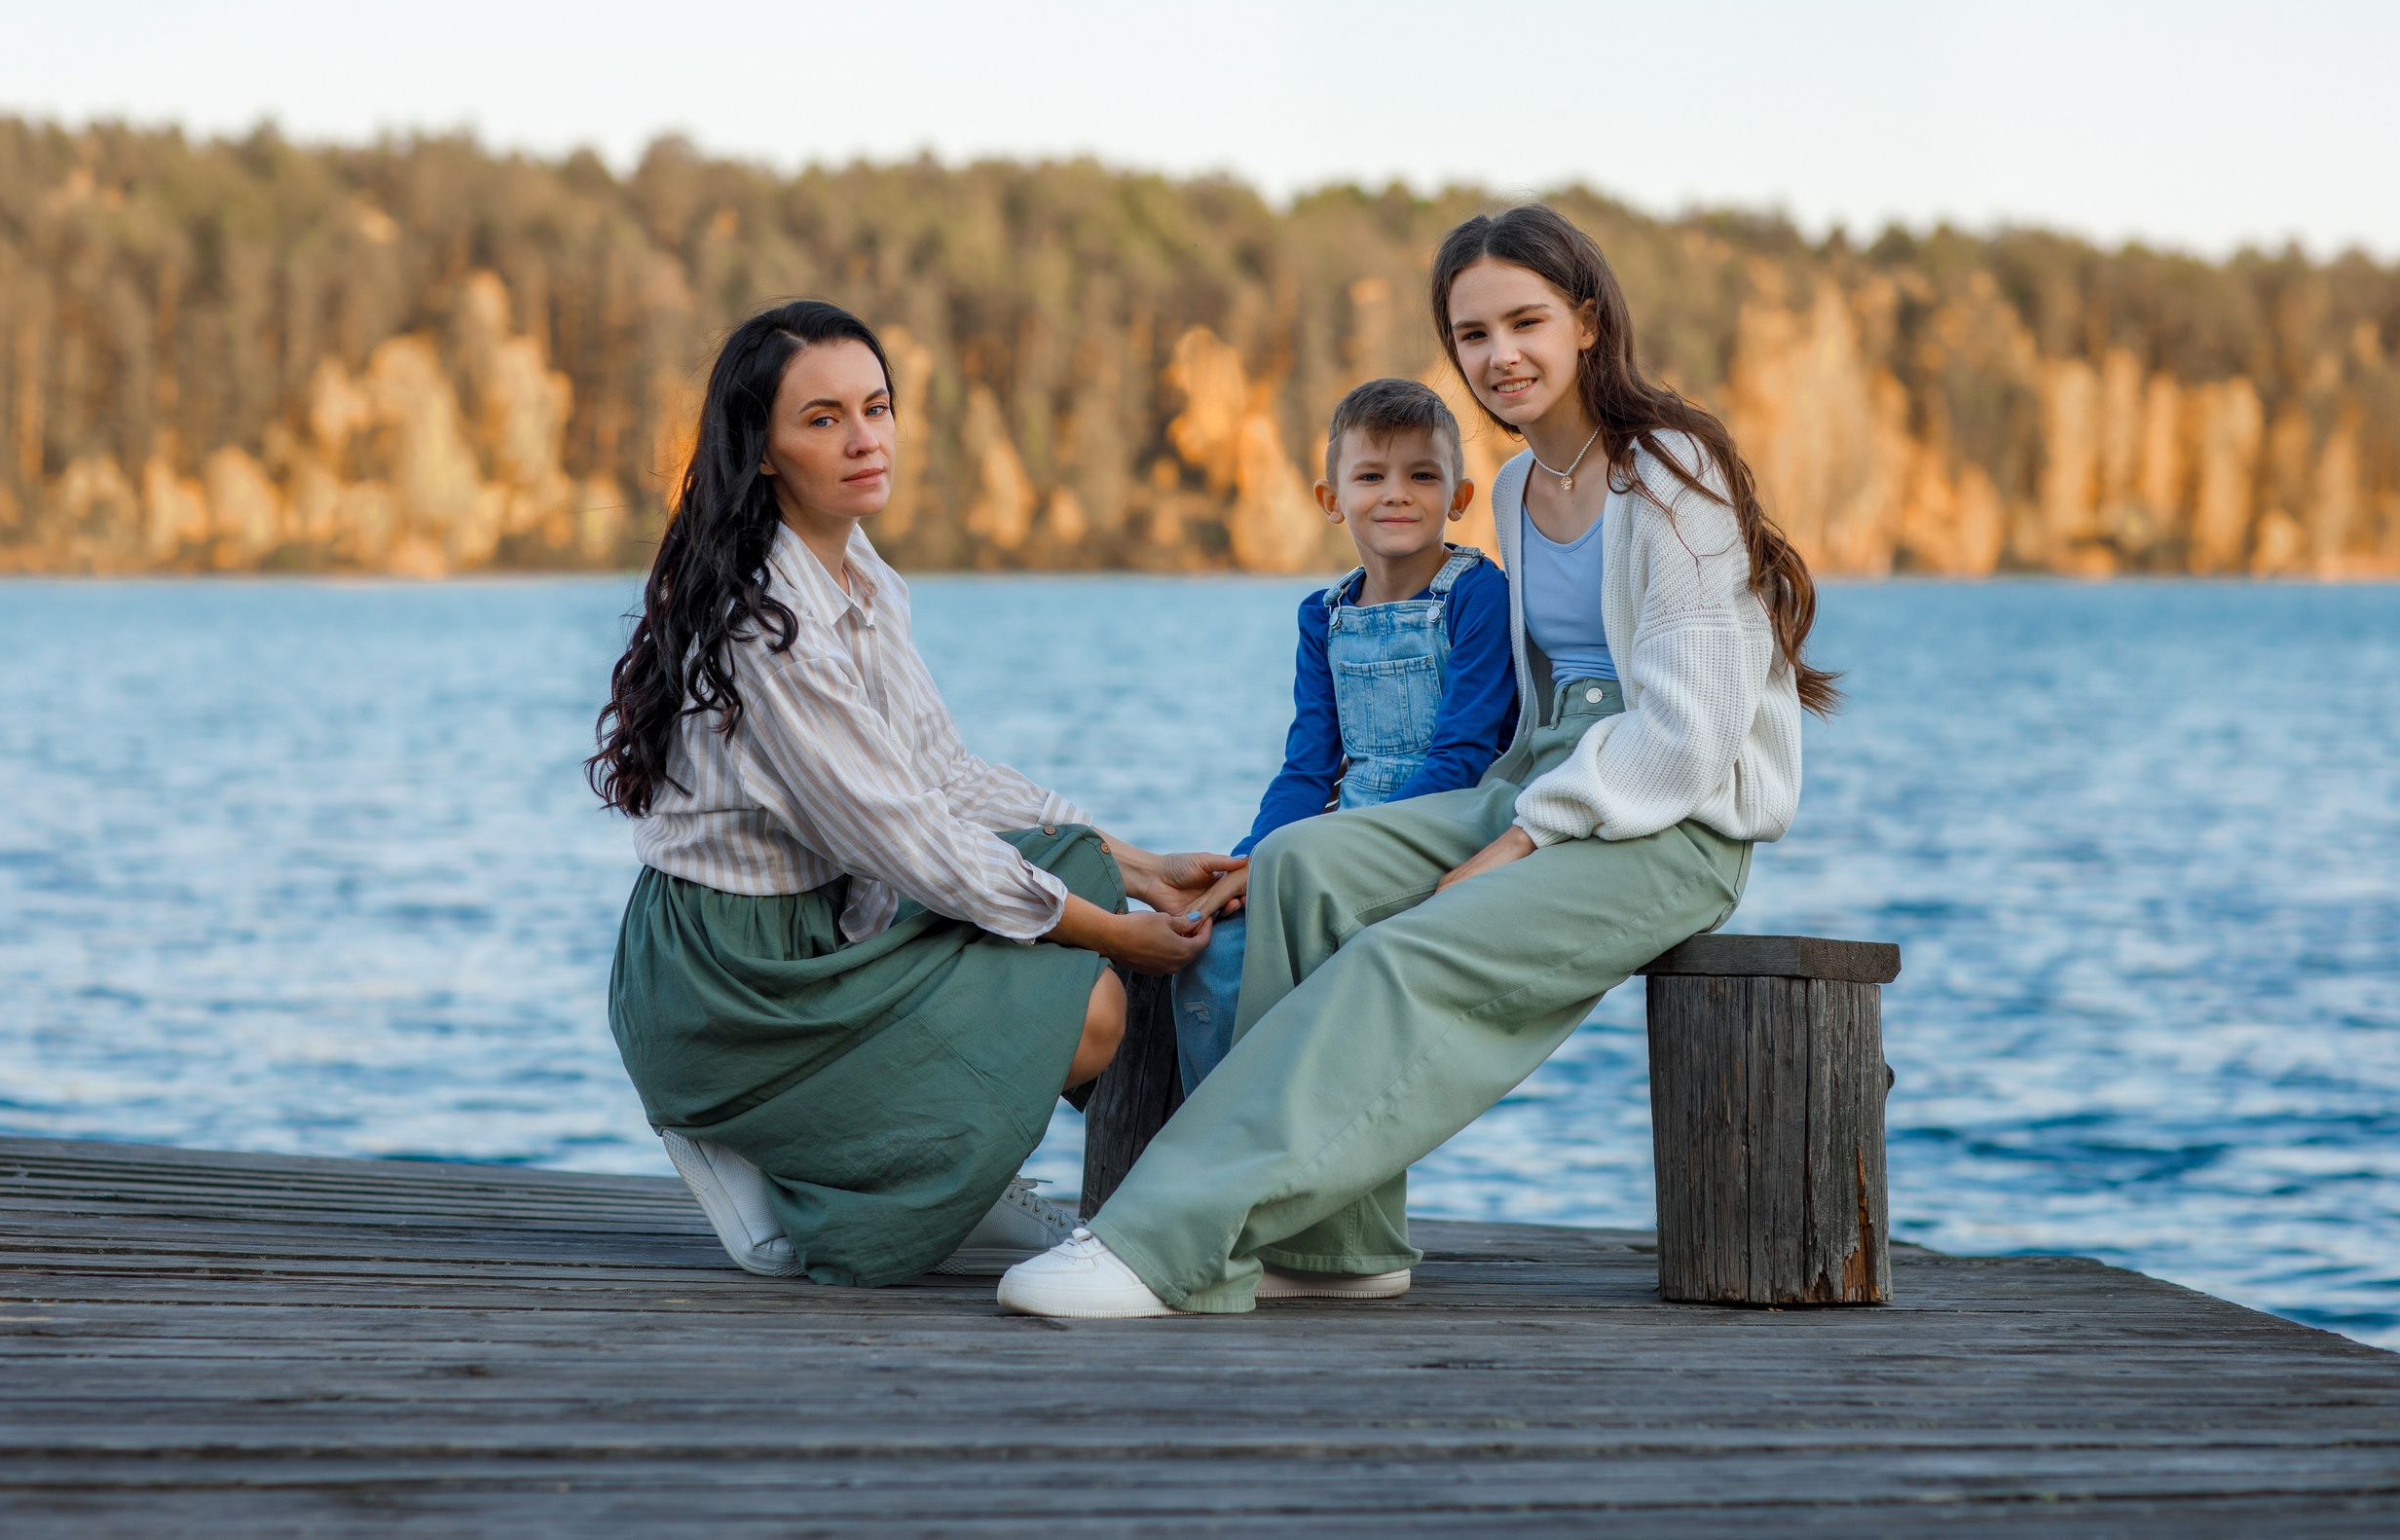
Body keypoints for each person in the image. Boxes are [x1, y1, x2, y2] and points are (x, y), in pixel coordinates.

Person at [1001, 203, 1838, 1317]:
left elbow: (1685, 738)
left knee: (1407, 954)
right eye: (1472, 336)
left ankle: (1168, 1240)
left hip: (1669, 823)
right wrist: (1502, 813)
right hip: (1541, 778)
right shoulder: (1510, 493)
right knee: (1299, 866)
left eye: (1525, 322)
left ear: (1586, 320)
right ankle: (1334, 1250)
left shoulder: (1672, 473)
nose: (1499, 357)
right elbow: (1526, 721)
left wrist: (1525, 839)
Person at [591, 300, 1237, 1288]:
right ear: (762, 451)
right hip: (728, 979)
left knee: (1083, 894)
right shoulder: (768, 626)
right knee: (1094, 995)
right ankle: (760, 1139)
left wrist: (1140, 865)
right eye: (822, 419)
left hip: (820, 942)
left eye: (877, 408)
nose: (864, 439)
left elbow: (943, 777)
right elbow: (907, 840)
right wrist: (1113, 929)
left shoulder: (860, 579)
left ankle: (928, 1173)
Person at [1170, 379, 1517, 1093]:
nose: (1397, 494)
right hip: (1342, 831)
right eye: (1371, 476)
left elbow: (1462, 758)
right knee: (1215, 947)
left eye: (1423, 475)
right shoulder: (1321, 616)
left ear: (1459, 497)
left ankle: (1292, 1119)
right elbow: (1307, 768)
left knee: (1339, 966)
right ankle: (1223, 1123)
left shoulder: (1477, 595)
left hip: (1441, 824)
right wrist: (1248, 863)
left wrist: (1328, 852)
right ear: (1332, 500)